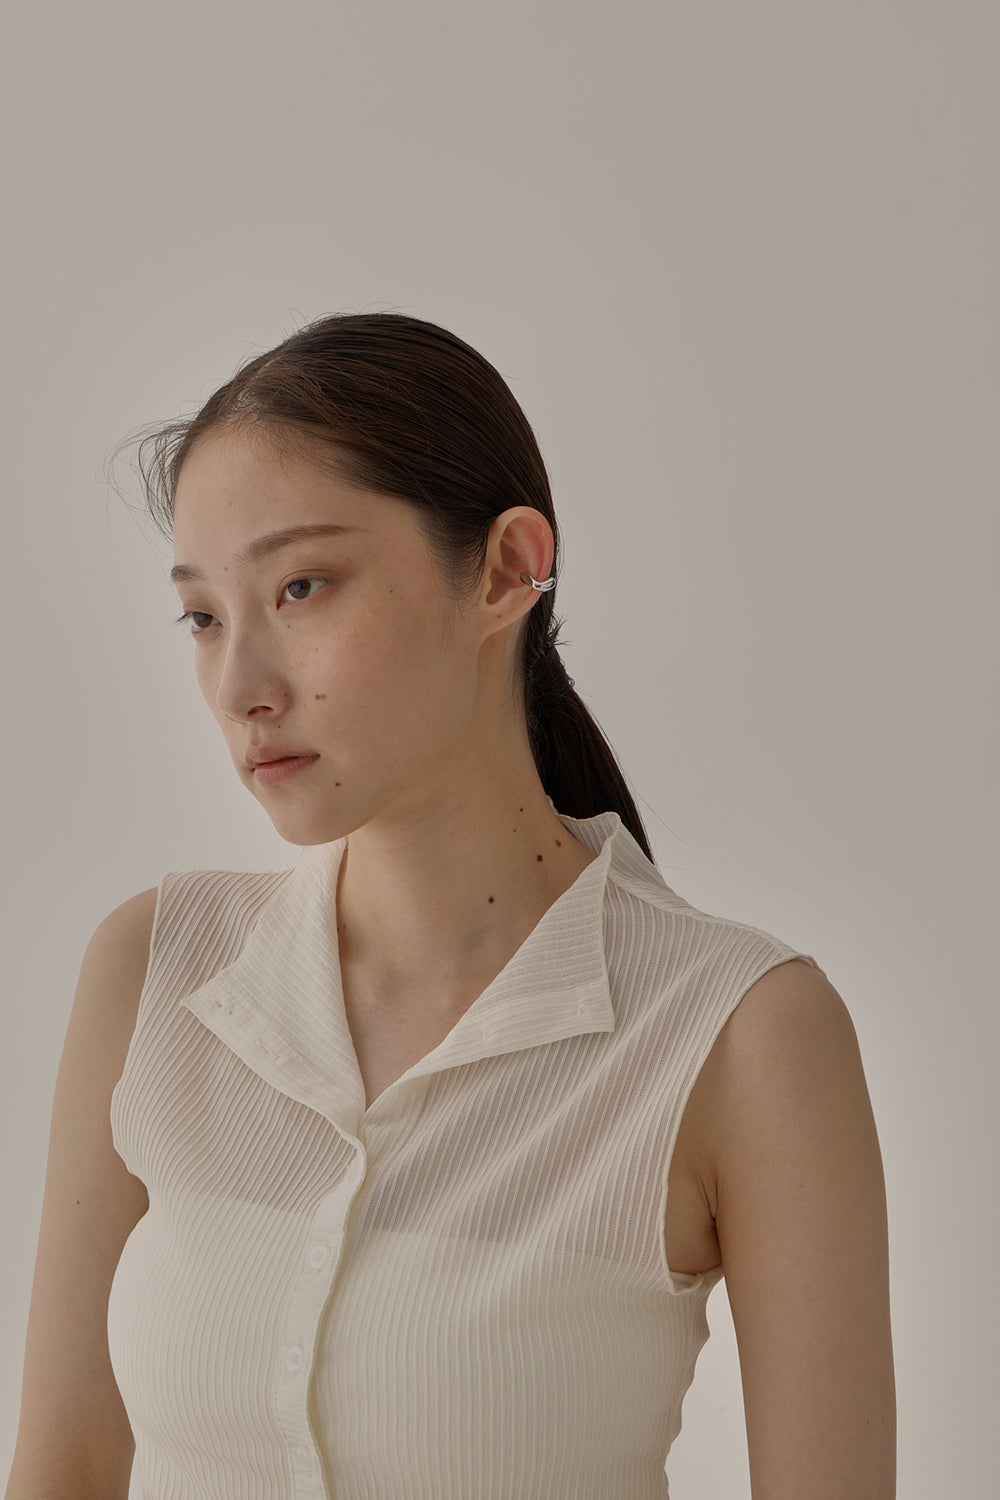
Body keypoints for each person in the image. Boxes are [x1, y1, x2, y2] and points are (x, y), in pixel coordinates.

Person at [4, 313, 896, 1499]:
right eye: (205, 616)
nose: (240, 686)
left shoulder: (737, 1033)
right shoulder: (158, 972)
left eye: (301, 587)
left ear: (506, 569)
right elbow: (62, 1470)